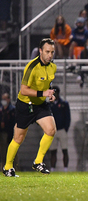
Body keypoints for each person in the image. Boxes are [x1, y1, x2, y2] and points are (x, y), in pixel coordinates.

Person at [2, 38, 57, 177]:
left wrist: (50, 93)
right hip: (26, 105)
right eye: (47, 52)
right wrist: (43, 93)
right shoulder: (31, 67)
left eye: (52, 52)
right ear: (40, 51)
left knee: (51, 130)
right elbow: (24, 90)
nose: (50, 55)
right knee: (18, 138)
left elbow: (46, 84)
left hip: (40, 105)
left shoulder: (52, 66)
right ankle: (8, 167)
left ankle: (38, 162)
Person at [49, 86, 70, 172]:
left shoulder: (64, 104)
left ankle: (65, 168)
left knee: (64, 150)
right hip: (52, 130)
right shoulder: (49, 105)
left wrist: (65, 128)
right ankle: (52, 168)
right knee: (53, 151)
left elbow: (67, 117)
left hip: (61, 129)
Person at [0, 93, 15, 169]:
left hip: (11, 132)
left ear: (9, 99)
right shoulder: (1, 109)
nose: (4, 100)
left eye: (5, 98)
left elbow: (13, 121)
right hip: (3, 132)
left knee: (13, 151)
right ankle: (3, 167)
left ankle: (15, 167)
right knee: (3, 151)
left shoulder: (12, 109)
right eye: (3, 99)